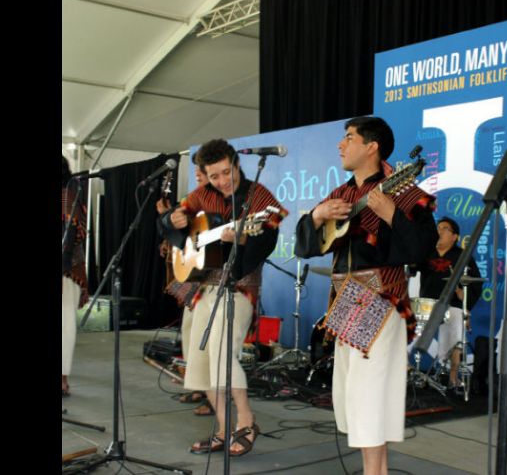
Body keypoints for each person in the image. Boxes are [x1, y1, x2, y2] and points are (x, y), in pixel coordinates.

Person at [295, 117, 438, 475]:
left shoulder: (403, 191)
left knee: (369, 393)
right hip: (345, 302)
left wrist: (391, 214)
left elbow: (424, 247)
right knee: (354, 394)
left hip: (378, 297)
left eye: (349, 138)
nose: (341, 145)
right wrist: (316, 216)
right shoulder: (340, 195)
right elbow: (307, 245)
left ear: (372, 146)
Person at [161, 139, 287, 457]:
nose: (222, 181)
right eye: (214, 176)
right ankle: (223, 428)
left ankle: (246, 420)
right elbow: (173, 226)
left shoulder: (258, 196)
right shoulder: (202, 195)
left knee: (221, 352)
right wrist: (172, 221)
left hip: (241, 285)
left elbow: (268, 238)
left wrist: (242, 241)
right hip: (205, 287)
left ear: (236, 163)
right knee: (200, 358)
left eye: (226, 172)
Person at [158, 154, 213, 414]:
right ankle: (198, 386)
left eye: (202, 171)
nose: (198, 175)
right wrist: (168, 217)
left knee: (207, 339)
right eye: (197, 171)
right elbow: (180, 234)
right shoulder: (192, 200)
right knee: (191, 331)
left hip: (214, 277)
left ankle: (211, 396)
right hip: (196, 276)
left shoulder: (218, 202)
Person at [412, 217, 481, 389]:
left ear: (454, 237)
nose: (439, 231)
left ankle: (449, 374)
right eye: (438, 228)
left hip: (452, 305)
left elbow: (475, 284)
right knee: (408, 328)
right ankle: (411, 370)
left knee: (455, 322)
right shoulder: (426, 253)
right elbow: (411, 269)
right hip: (428, 303)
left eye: (445, 228)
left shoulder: (462, 256)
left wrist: (464, 298)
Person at [62, 156, 88, 397]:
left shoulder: (67, 198)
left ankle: (62, 379)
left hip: (66, 271)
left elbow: (73, 233)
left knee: (64, 326)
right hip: (68, 270)